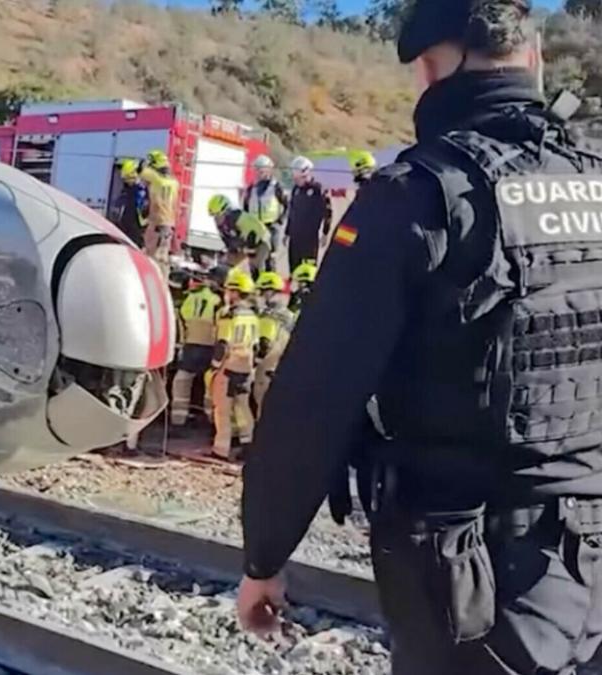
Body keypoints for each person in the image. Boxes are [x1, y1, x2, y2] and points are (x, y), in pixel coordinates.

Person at [236, 2, 602, 674]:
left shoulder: (417, 196)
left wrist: (264, 556)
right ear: (534, 56)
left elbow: (313, 400)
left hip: (473, 578)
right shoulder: (593, 178)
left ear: (431, 70)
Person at [210, 268, 258, 460]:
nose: (227, 293)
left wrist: (215, 366)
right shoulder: (253, 317)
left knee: (222, 410)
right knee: (243, 409)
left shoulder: (229, 315)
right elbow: (255, 345)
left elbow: (223, 343)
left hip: (228, 368)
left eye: (229, 290)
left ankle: (220, 450)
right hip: (246, 368)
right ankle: (248, 446)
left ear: (236, 292)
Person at [170, 266, 225, 431]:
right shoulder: (218, 300)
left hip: (190, 346)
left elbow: (181, 322)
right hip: (211, 347)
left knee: (181, 383)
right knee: (210, 387)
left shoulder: (189, 298)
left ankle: (178, 422)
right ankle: (211, 423)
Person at [252, 271, 293, 418]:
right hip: (281, 366)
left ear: (269, 292)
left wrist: (254, 363)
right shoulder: (288, 315)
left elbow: (265, 343)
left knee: (262, 402)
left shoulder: (268, 316)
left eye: (261, 292)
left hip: (266, 367)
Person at [284, 156, 333, 273]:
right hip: (295, 237)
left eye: (298, 178)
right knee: (294, 270)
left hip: (310, 238)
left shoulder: (318, 190)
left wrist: (325, 233)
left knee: (308, 270)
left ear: (306, 173)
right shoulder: (295, 190)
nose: (296, 180)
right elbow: (292, 212)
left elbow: (328, 212)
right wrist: (287, 232)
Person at [243, 155, 289, 273]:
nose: (259, 172)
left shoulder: (276, 187)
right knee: (252, 258)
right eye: (257, 169)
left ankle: (270, 285)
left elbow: (287, 205)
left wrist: (279, 221)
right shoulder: (251, 188)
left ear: (269, 170)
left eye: (261, 169)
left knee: (270, 258)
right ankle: (255, 283)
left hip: (270, 226)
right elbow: (246, 208)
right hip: (254, 227)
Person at [208, 194, 270, 278]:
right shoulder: (221, 225)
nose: (216, 219)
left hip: (261, 241)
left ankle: (259, 283)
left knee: (255, 264)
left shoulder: (239, 218)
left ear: (226, 212)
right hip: (244, 244)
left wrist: (249, 251)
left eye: (218, 215)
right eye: (214, 216)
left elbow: (253, 234)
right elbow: (228, 242)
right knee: (226, 262)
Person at [141, 150, 180, 276]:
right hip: (168, 226)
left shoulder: (155, 179)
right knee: (163, 261)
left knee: (151, 261)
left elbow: (141, 171)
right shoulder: (174, 183)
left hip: (156, 225)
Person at [113, 158, 148, 245]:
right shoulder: (127, 191)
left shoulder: (139, 191)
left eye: (128, 179)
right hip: (126, 228)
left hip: (135, 230)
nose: (126, 182)